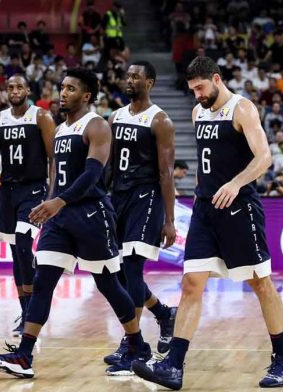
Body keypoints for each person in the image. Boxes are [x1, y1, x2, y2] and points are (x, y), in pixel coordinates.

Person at [133, 56, 283, 390]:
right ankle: (174, 366)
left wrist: (236, 182)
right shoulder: (197, 112)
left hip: (240, 210)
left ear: (217, 79)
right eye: (192, 90)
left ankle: (282, 359)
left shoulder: (242, 108)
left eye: (200, 87)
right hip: (205, 210)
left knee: (260, 284)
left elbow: (264, 157)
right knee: (191, 284)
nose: (197, 95)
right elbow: (207, 161)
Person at [0, 68, 150, 378]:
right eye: (62, 87)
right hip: (59, 219)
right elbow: (55, 175)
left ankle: (137, 345)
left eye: (71, 88)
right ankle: (24, 355)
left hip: (91, 215)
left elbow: (92, 175)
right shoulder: (60, 129)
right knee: (43, 281)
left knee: (109, 285)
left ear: (86, 95)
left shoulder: (98, 125)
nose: (63, 93)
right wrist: (49, 204)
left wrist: (59, 201)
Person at [0, 74, 55, 335]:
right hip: (8, 191)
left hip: (34, 188)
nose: (15, 91)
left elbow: (53, 159)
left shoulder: (42, 117)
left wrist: (51, 195)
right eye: (10, 87)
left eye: (19, 87)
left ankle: (32, 310)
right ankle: (25, 310)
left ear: (28, 89)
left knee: (23, 242)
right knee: (16, 251)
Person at [105, 61, 178, 366]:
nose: (130, 79)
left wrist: (170, 220)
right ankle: (163, 313)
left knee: (132, 269)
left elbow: (166, 172)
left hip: (146, 197)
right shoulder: (115, 116)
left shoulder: (160, 120)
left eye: (136, 76)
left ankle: (132, 342)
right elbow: (108, 164)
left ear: (150, 82)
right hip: (117, 197)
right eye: (128, 75)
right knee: (120, 273)